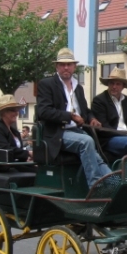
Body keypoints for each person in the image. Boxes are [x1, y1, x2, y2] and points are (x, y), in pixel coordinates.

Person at [36, 47, 111, 188]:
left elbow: (85, 111)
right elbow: (43, 111)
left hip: (77, 132)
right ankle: (95, 185)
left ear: (74, 67)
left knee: (97, 156)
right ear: (57, 66)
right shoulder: (47, 84)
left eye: (69, 64)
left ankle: (114, 183)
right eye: (62, 64)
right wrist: (69, 116)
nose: (66, 67)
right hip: (56, 134)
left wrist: (91, 119)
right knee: (87, 142)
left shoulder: (78, 87)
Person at [0, 95, 35, 173]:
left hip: (11, 165)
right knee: (40, 174)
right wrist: (28, 153)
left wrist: (28, 159)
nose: (16, 113)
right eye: (13, 110)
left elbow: (17, 152)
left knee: (44, 171)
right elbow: (6, 150)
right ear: (3, 113)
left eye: (17, 110)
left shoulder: (14, 131)